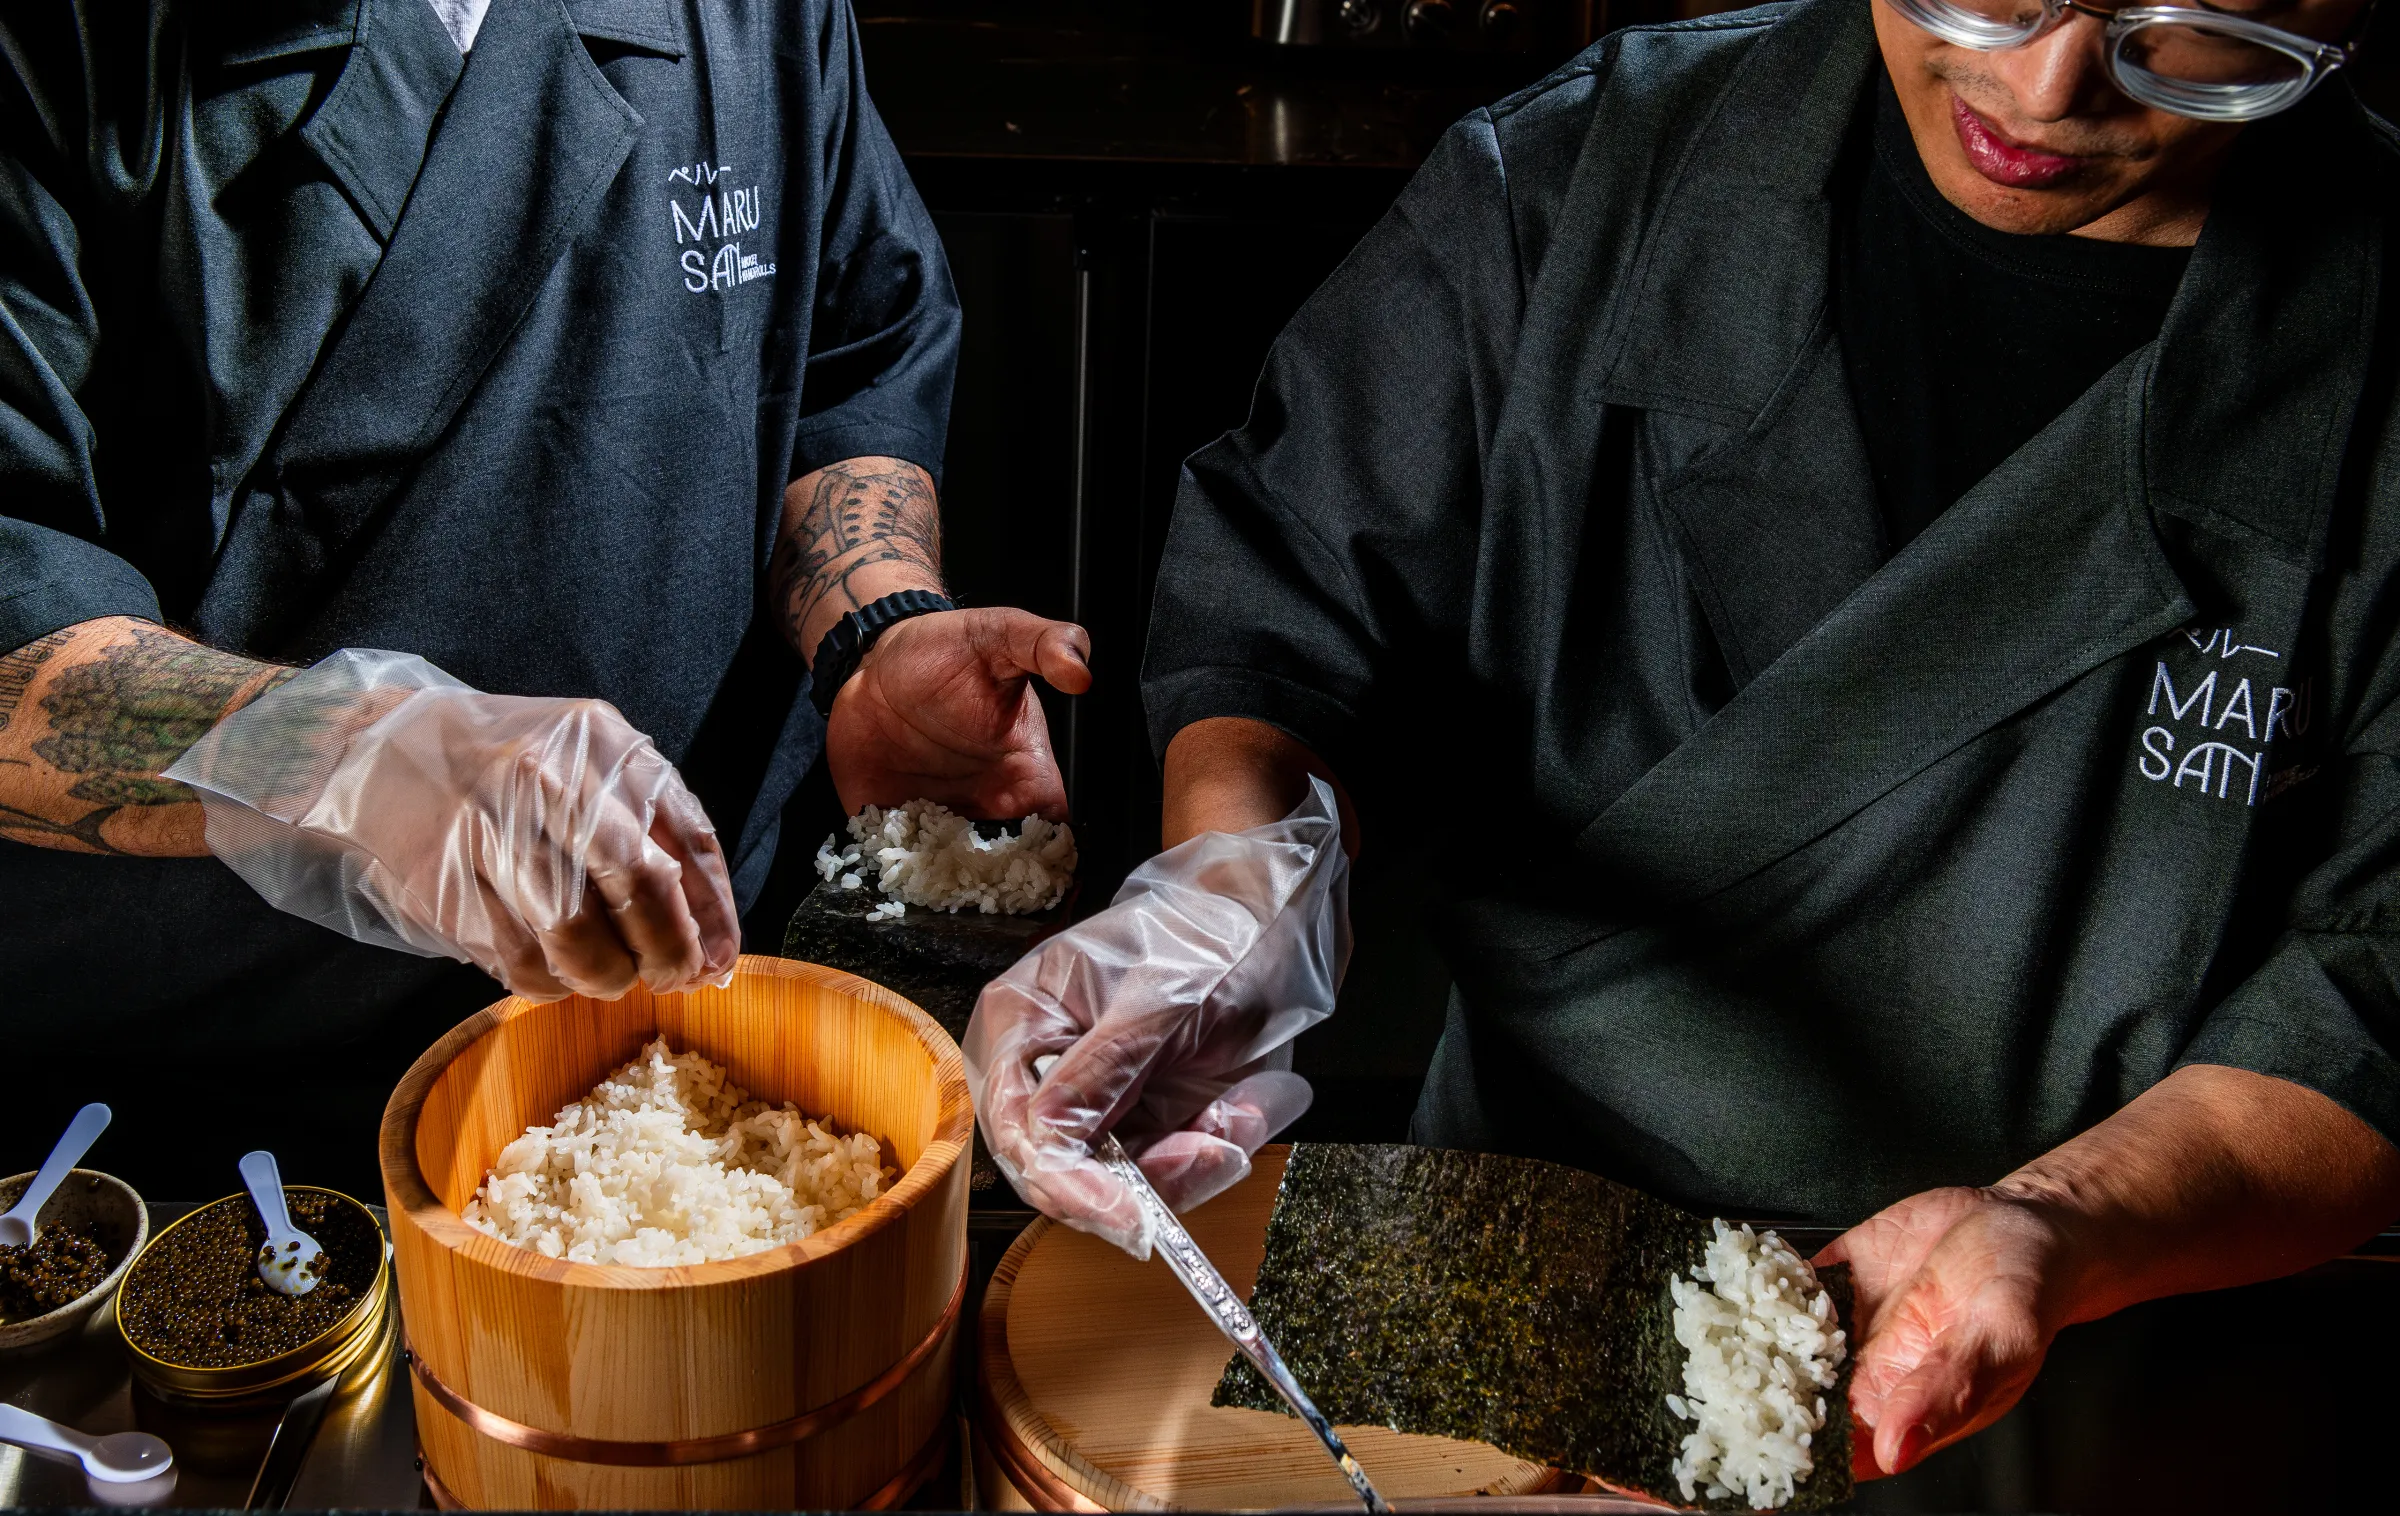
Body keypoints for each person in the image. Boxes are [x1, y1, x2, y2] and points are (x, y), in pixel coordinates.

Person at [965, 0, 2400, 1481]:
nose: (2041, 88)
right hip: (1496, 1263)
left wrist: (2064, 1224)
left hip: (2101, 1339)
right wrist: (1232, 892)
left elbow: (2375, 985)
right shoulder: (1586, 176)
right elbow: (1295, 607)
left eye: (2185, 32)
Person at [0, 0, 1087, 1189]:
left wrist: (871, 621)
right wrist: (353, 753)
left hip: (703, 1072)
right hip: (209, 1112)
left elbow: (840, 358)